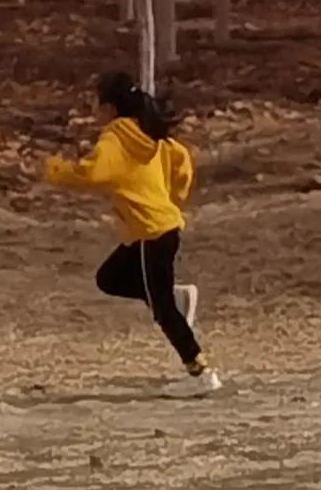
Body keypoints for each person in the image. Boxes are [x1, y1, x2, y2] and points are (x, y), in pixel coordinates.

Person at [44, 71, 220, 398]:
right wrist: (173, 195)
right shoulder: (148, 133)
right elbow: (181, 160)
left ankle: (199, 371)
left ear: (110, 107)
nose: (94, 109)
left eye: (96, 103)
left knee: (163, 310)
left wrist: (56, 170)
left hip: (150, 232)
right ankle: (176, 299)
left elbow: (94, 174)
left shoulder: (115, 138)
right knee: (110, 278)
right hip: (160, 227)